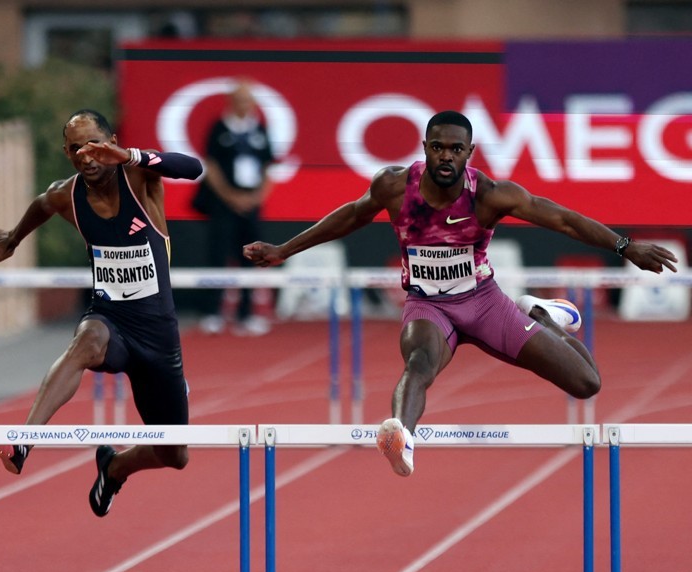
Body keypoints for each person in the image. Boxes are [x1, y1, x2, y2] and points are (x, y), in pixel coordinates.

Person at [244, 110, 678, 477]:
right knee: (419, 361)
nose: (446, 156)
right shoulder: (395, 187)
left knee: (587, 384)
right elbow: (349, 217)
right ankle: (401, 436)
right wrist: (285, 249)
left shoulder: (490, 195)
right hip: (427, 305)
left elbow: (562, 219)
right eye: (438, 147)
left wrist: (625, 246)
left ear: (469, 153)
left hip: (484, 302)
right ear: (425, 148)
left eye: (455, 149)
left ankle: (541, 316)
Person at [0, 109, 203, 517]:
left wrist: (130, 156)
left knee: (175, 454)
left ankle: (114, 466)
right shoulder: (68, 195)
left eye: (94, 144)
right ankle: (23, 440)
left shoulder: (139, 178)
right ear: (67, 153)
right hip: (111, 320)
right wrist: (13, 238)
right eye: (76, 149)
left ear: (110, 141)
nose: (86, 155)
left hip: (157, 335)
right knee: (86, 341)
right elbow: (42, 204)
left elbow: (192, 167)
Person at [196, 79, 275, 336]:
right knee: (218, 255)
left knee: (251, 255)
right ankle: (213, 312)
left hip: (251, 204)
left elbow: (268, 166)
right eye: (239, 100)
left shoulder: (260, 129)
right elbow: (212, 167)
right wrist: (230, 196)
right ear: (230, 102)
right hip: (223, 204)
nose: (244, 106)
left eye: (248, 101)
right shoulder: (219, 128)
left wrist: (257, 197)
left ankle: (247, 314)